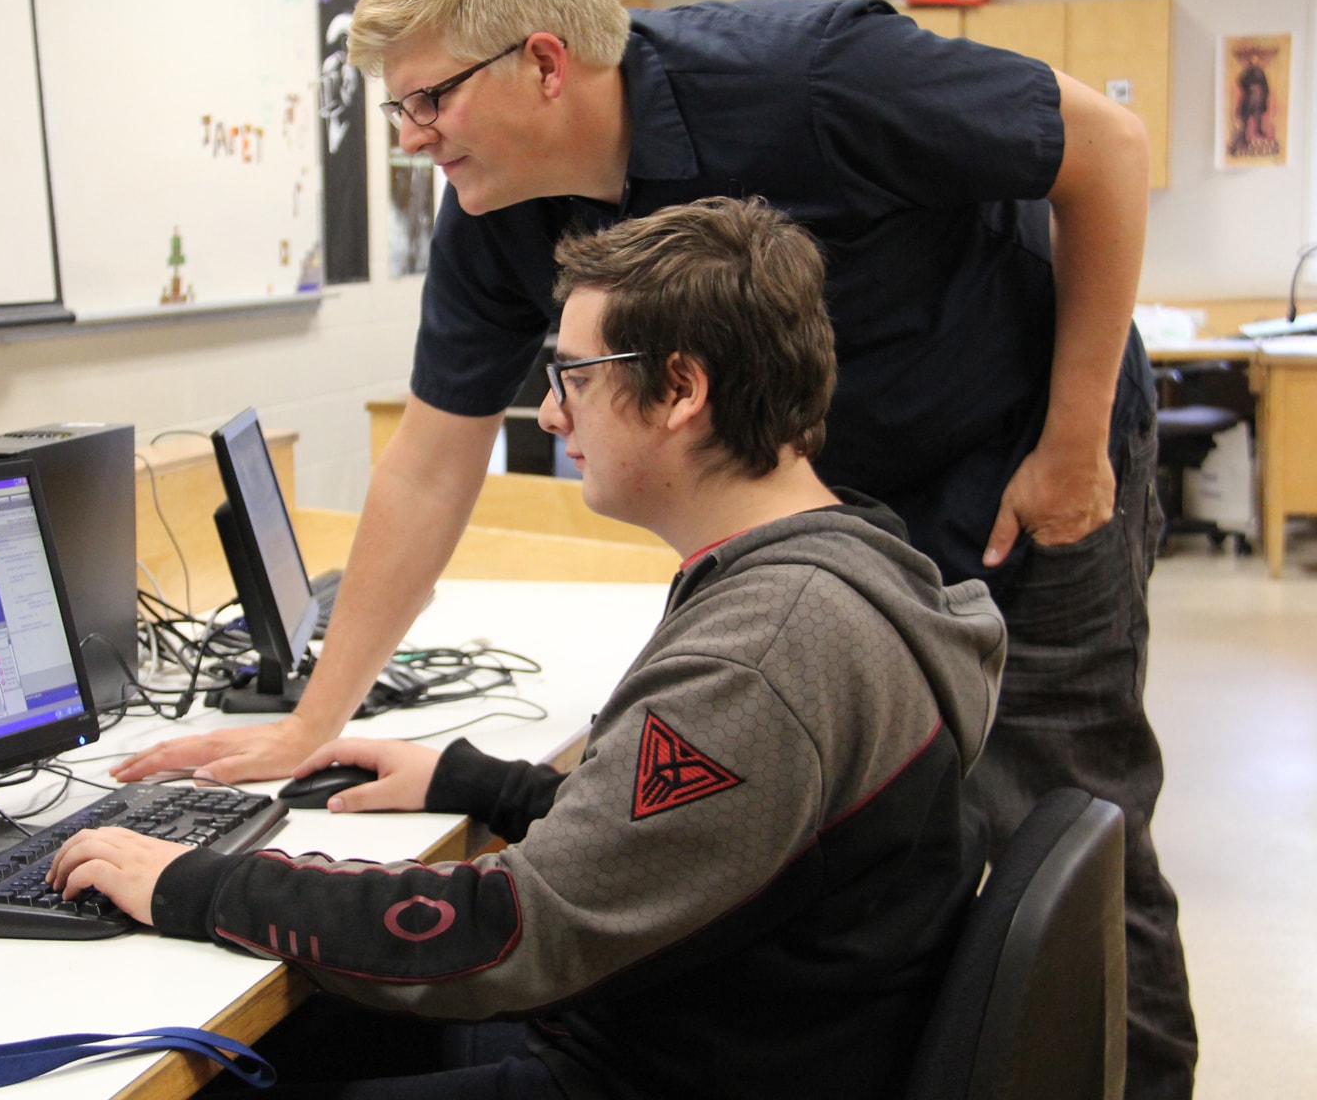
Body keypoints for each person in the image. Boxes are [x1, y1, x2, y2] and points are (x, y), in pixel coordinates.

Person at [112, 0, 1195, 1096]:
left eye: (429, 101)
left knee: (1068, 824)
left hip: (1025, 442)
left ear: (540, 60)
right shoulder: (498, 210)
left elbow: (1109, 150)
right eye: (396, 109)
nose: (412, 137)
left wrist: (1074, 437)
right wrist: (311, 723)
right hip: (835, 501)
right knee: (864, 833)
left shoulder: (814, 78)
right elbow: (429, 463)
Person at [52, 197, 1007, 1098]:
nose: (551, 415)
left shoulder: (763, 653)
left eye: (574, 379)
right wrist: (476, 783)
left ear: (680, 388)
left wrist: (198, 883)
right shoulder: (848, 562)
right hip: (715, 1031)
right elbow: (691, 842)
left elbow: (509, 933)